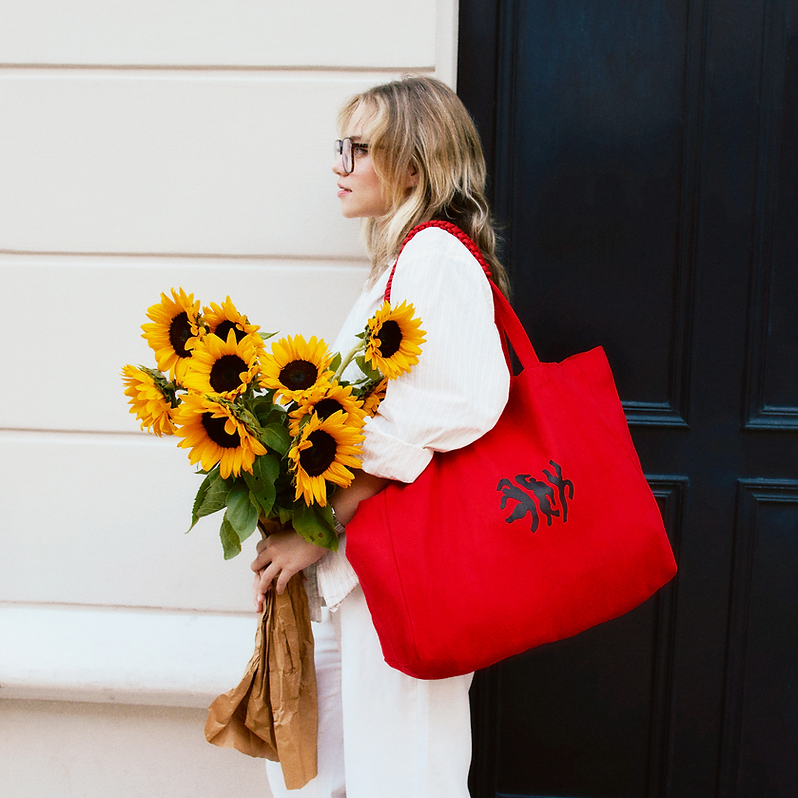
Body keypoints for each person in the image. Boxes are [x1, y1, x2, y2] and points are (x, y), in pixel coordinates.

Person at [251, 75, 511, 798]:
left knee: (405, 781)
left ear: (412, 165)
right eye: (340, 146)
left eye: (357, 148)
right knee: (331, 778)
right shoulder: (402, 266)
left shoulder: (434, 257)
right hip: (362, 582)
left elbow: (454, 407)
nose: (338, 166)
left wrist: (319, 527)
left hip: (399, 582)